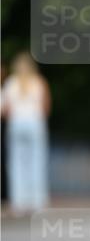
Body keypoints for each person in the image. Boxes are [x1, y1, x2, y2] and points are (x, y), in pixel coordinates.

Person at [1, 53, 51, 214]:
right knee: (37, 162)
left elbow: (6, 110)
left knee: (16, 164)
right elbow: (46, 106)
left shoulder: (11, 83)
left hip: (16, 124)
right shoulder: (39, 81)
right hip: (35, 123)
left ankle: (19, 203)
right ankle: (38, 202)